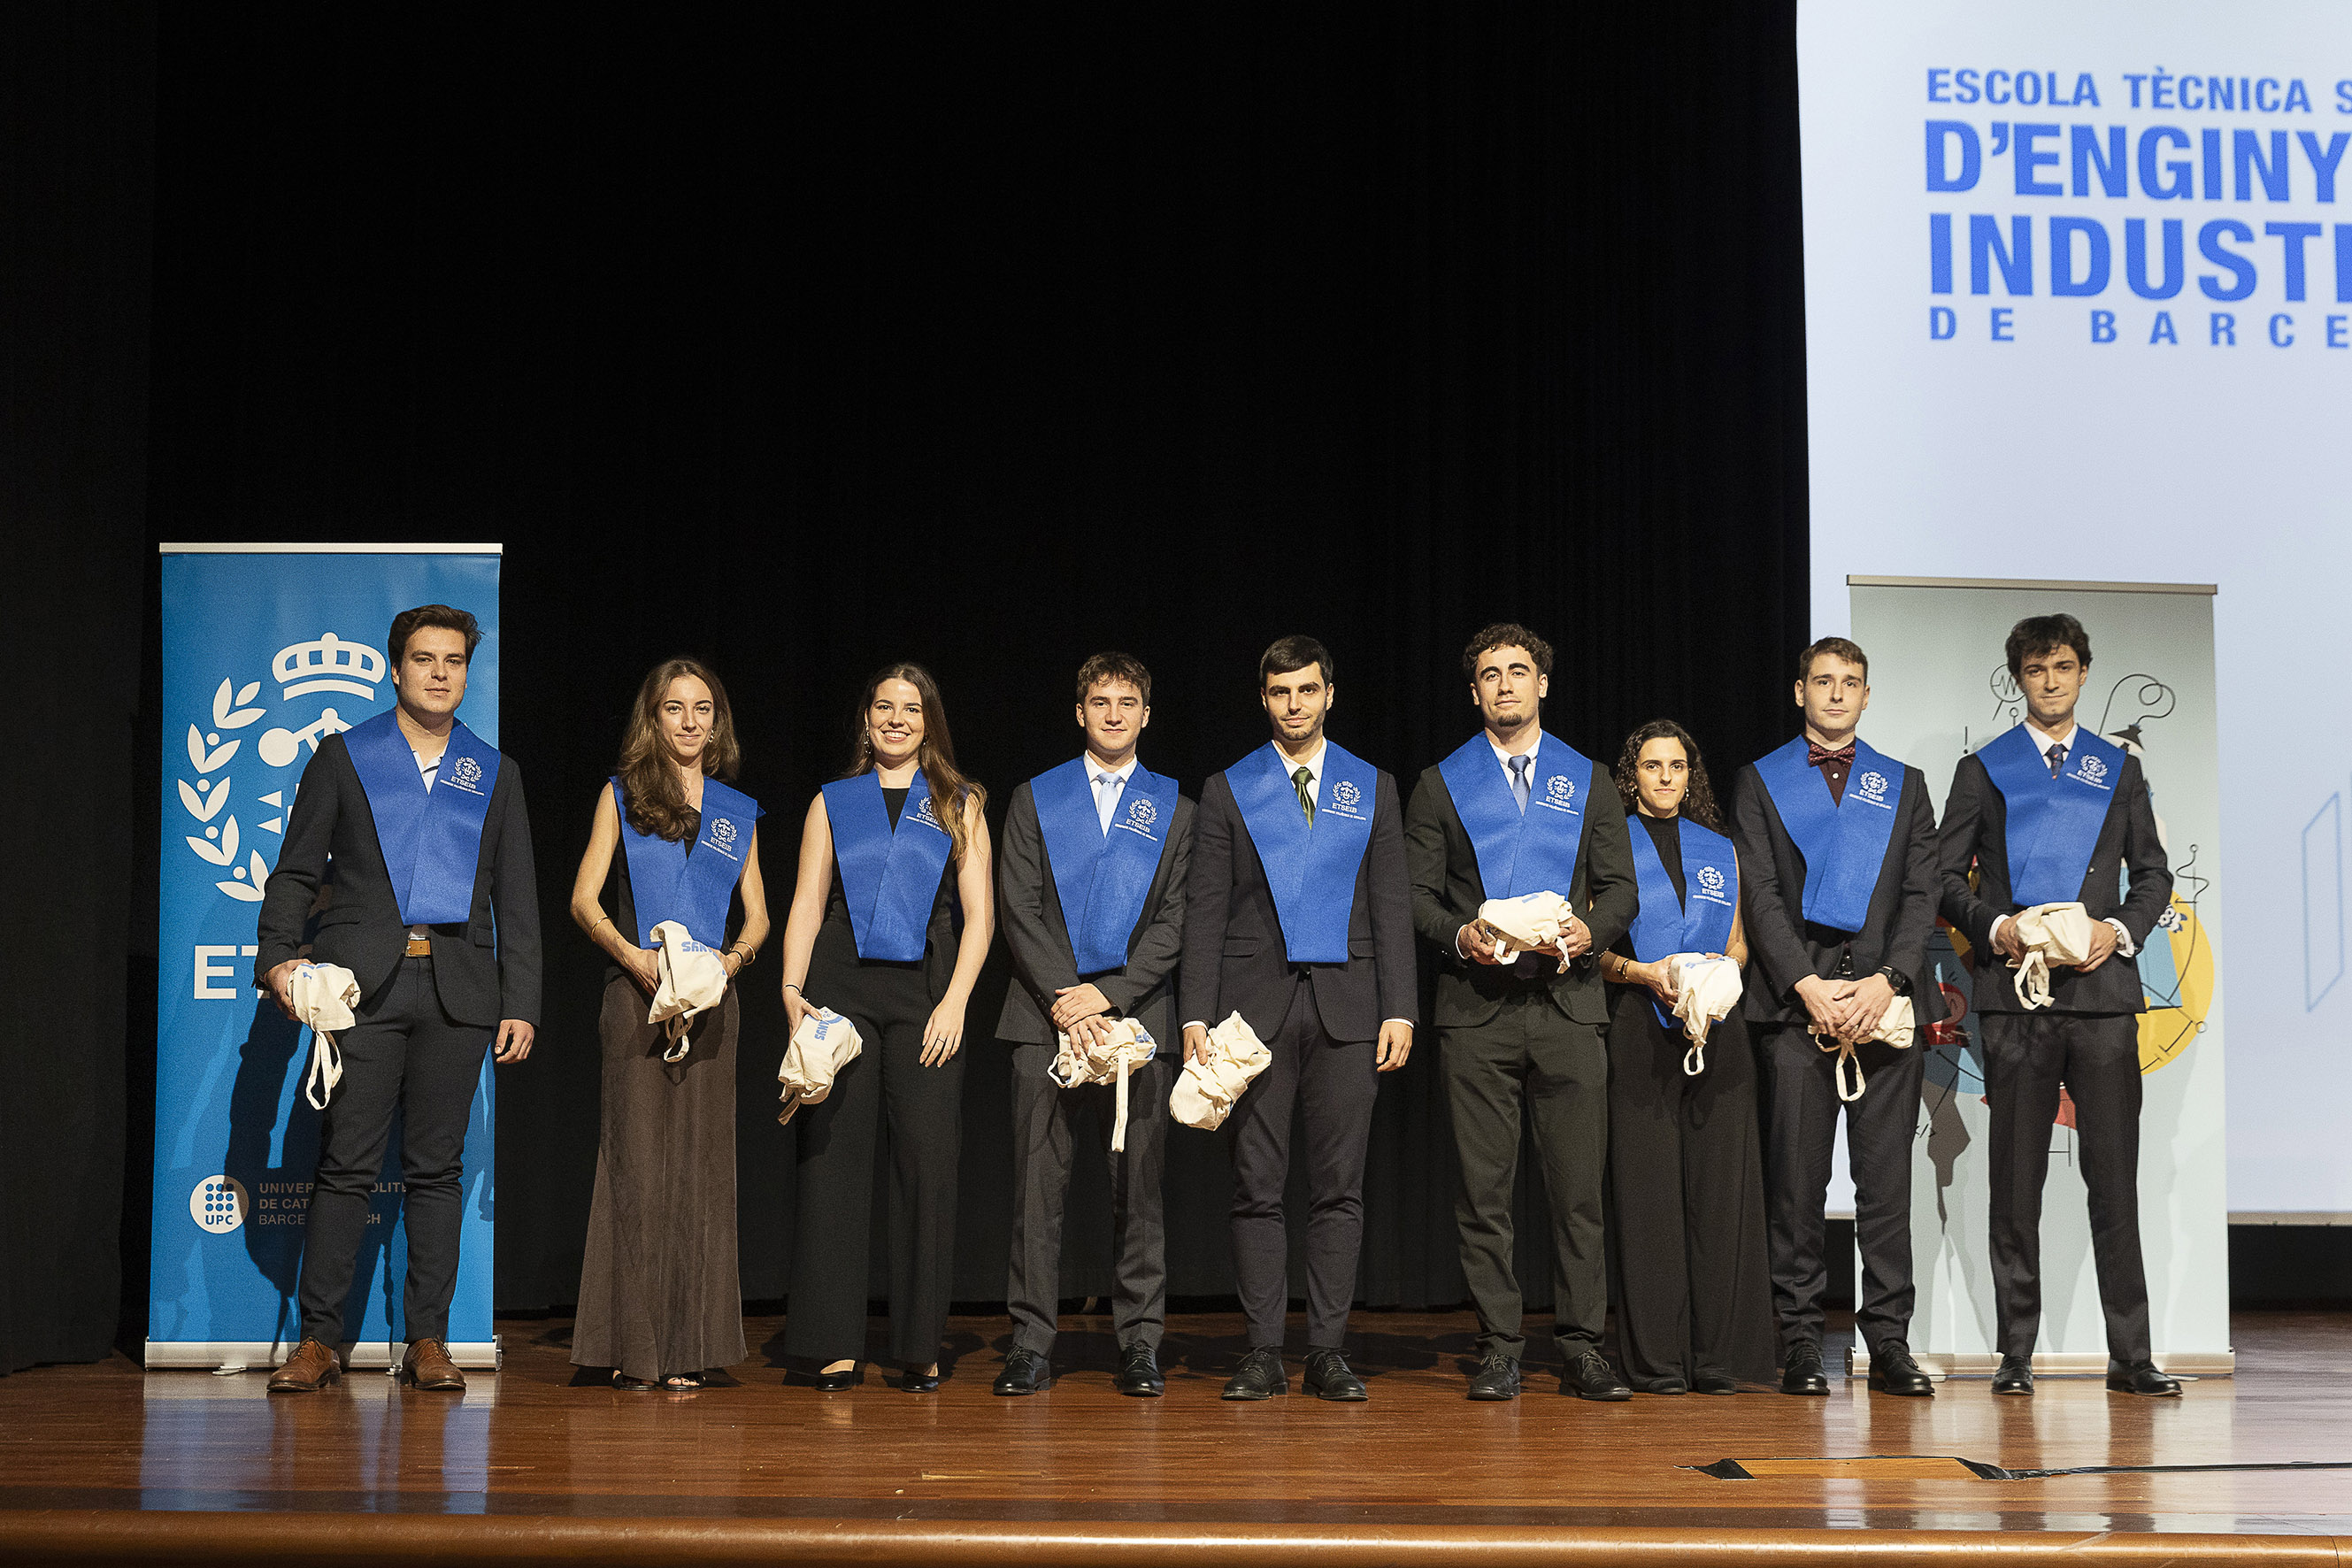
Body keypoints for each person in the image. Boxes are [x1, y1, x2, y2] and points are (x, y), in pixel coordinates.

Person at [256, 603, 540, 1394]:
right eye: (424, 659)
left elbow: (517, 897)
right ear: (395, 668)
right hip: (363, 989)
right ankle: (319, 1341)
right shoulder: (346, 757)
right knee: (346, 1164)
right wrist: (277, 959)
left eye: (454, 661)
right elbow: (296, 872)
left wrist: (522, 1000)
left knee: (436, 1171)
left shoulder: (494, 771)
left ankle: (428, 1341)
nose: (440, 674)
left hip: (459, 990)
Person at [1937, 614, 2176, 1397]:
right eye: (2036, 669)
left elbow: (2153, 875)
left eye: (2063, 667)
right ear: (2019, 679)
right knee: (2015, 1184)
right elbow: (1944, 877)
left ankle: (2132, 1357)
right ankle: (2015, 1354)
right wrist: (1996, 927)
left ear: (2083, 674)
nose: (2051, 681)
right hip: (2016, 997)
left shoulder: (2118, 769)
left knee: (2115, 1181)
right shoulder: (1984, 769)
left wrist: (2118, 931)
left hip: (2103, 1000)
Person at [1403, 625, 1635, 1403]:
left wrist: (1591, 931)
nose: (1505, 684)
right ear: (1474, 692)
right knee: (1484, 1194)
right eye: (1490, 674)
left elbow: (1622, 888)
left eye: (1519, 671)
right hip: (1477, 1011)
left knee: (1578, 1193)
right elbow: (1415, 896)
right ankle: (1500, 1345)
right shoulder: (1440, 784)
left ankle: (1582, 1346)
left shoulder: (1588, 777)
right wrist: (1459, 934)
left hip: (1569, 1007)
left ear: (1543, 684)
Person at [1180, 635, 1415, 1402]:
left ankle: (1328, 1351)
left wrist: (1401, 1008)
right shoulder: (1229, 788)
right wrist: (1195, 1016)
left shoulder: (1371, 785)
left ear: (1329, 695)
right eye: (1280, 692)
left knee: (1339, 1189)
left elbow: (1390, 904)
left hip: (1351, 1008)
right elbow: (1205, 911)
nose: (1294, 705)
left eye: (1307, 690)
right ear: (1264, 698)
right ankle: (1261, 1351)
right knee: (1256, 1185)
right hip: (1253, 1011)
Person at [1731, 636, 1938, 1398]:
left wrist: (1888, 979)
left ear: (1867, 695)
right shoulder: (1761, 780)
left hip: (1884, 1009)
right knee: (1797, 1188)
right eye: (1824, 681)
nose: (1838, 693)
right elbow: (1759, 895)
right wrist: (1807, 984)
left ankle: (1889, 1343)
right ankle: (1798, 1342)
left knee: (1886, 1189)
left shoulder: (1904, 785)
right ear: (1801, 692)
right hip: (1798, 1010)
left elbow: (1922, 894)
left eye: (1851, 682)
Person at [777, 663, 993, 1392]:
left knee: (926, 1165)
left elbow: (980, 917)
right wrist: (791, 989)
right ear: (866, 719)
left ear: (929, 722)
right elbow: (808, 902)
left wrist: (956, 1002)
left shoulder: (959, 801)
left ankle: (918, 1343)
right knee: (832, 1161)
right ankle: (832, 1341)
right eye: (883, 707)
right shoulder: (832, 801)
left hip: (927, 994)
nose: (896, 719)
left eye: (911, 708)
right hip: (840, 989)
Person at [992, 653, 1192, 1398]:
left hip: (1136, 1020)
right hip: (1042, 1016)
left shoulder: (1176, 809)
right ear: (1080, 712)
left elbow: (1175, 921)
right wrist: (1066, 999)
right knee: (1036, 1191)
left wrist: (1105, 997)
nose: (1113, 714)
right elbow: (1019, 906)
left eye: (1127, 702)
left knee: (1137, 1190)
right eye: (1100, 702)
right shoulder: (1035, 797)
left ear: (1146, 715)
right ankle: (1030, 1343)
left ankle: (1140, 1342)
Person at [567, 659, 769, 1390]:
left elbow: (759, 917)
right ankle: (634, 1347)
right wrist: (632, 957)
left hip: (712, 1004)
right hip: (636, 999)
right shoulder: (622, 795)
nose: (690, 721)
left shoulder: (735, 812)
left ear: (717, 722)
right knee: (637, 1168)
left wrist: (729, 965)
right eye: (675, 708)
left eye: (703, 709)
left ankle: (689, 1349)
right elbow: (584, 899)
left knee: (701, 1171)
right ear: (653, 718)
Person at [1597, 721, 1775, 1395]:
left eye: (1677, 766)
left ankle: (1715, 1358)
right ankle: (1657, 1361)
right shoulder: (1609, 842)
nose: (1666, 777)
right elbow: (1593, 947)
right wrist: (1643, 974)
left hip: (1715, 1025)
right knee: (1647, 1197)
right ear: (1632, 775)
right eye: (1652, 766)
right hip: (1639, 1025)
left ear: (1690, 774)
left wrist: (1721, 975)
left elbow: (1738, 941)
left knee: (1718, 1193)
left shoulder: (1719, 848)